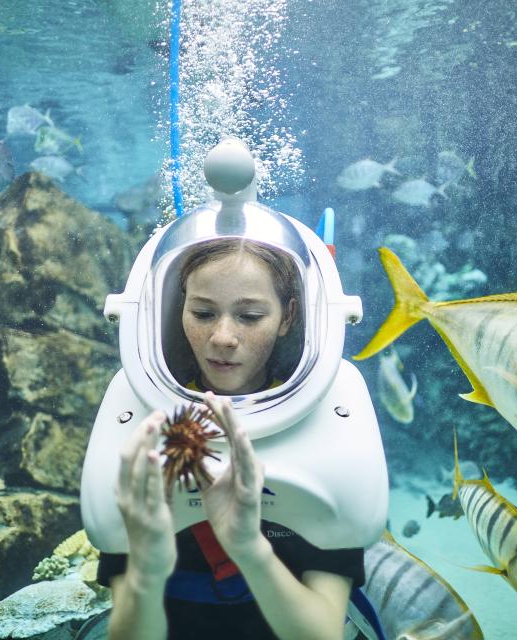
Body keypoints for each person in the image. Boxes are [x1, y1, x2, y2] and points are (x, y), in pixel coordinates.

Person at [96, 238, 366, 640]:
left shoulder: (327, 423)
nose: (222, 336)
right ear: (179, 310)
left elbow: (322, 633)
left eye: (250, 315)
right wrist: (147, 573)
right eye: (203, 312)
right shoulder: (143, 422)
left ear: (288, 316)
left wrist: (248, 549)